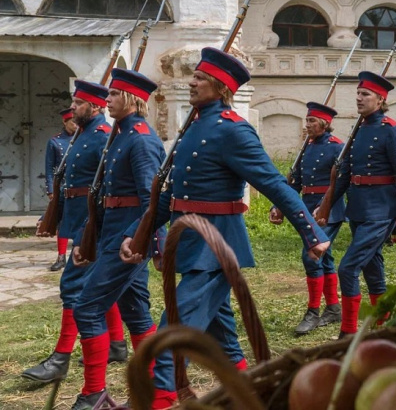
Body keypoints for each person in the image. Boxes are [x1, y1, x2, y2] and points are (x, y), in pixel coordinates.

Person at [119, 47, 331, 408]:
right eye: (194, 75)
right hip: (190, 242)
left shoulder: (234, 131)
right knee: (224, 338)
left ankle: (156, 399)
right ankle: (253, 393)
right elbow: (172, 197)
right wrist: (138, 232)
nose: (192, 81)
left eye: (200, 78)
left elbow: (273, 183)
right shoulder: (195, 126)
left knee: (173, 332)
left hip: (216, 247)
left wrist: (312, 233)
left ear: (220, 86)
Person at [69, 70, 164, 410]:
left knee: (87, 308)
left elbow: (154, 201)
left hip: (127, 242)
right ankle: (152, 392)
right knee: (136, 313)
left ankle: (94, 392)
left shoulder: (140, 139)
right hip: (112, 234)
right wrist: (84, 238)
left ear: (132, 99)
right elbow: (101, 197)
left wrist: (148, 243)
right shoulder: (120, 135)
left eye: (113, 94)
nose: (106, 100)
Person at [22, 82, 127, 385]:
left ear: (95, 107)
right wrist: (51, 217)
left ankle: (61, 357)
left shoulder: (105, 137)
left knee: (74, 287)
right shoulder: (82, 134)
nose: (73, 108)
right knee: (95, 287)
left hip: (93, 223)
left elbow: (108, 188)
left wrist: (94, 228)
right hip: (79, 216)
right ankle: (117, 345)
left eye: (79, 103)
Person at [313, 71, 396, 337]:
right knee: (373, 268)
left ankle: (348, 331)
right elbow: (344, 175)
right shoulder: (358, 128)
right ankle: (383, 327)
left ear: (380, 100)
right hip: (358, 209)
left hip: (381, 211)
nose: (359, 98)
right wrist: (325, 205)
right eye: (358, 93)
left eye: (365, 94)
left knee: (347, 268)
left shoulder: (392, 131)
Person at [270, 102, 345, 335]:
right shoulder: (307, 148)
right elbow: (296, 182)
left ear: (325, 123)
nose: (308, 125)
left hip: (329, 211)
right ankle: (333, 308)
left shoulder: (337, 148)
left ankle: (313, 312)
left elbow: (341, 183)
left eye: (312, 121)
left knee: (312, 256)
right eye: (307, 120)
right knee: (325, 258)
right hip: (307, 207)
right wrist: (278, 205)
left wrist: (324, 207)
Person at [43, 108, 77, 271]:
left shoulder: (83, 138)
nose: (75, 125)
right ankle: (61, 256)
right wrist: (51, 190)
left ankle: (78, 253)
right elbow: (49, 168)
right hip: (61, 187)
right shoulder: (55, 141)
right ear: (65, 122)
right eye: (72, 122)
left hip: (79, 186)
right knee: (61, 223)